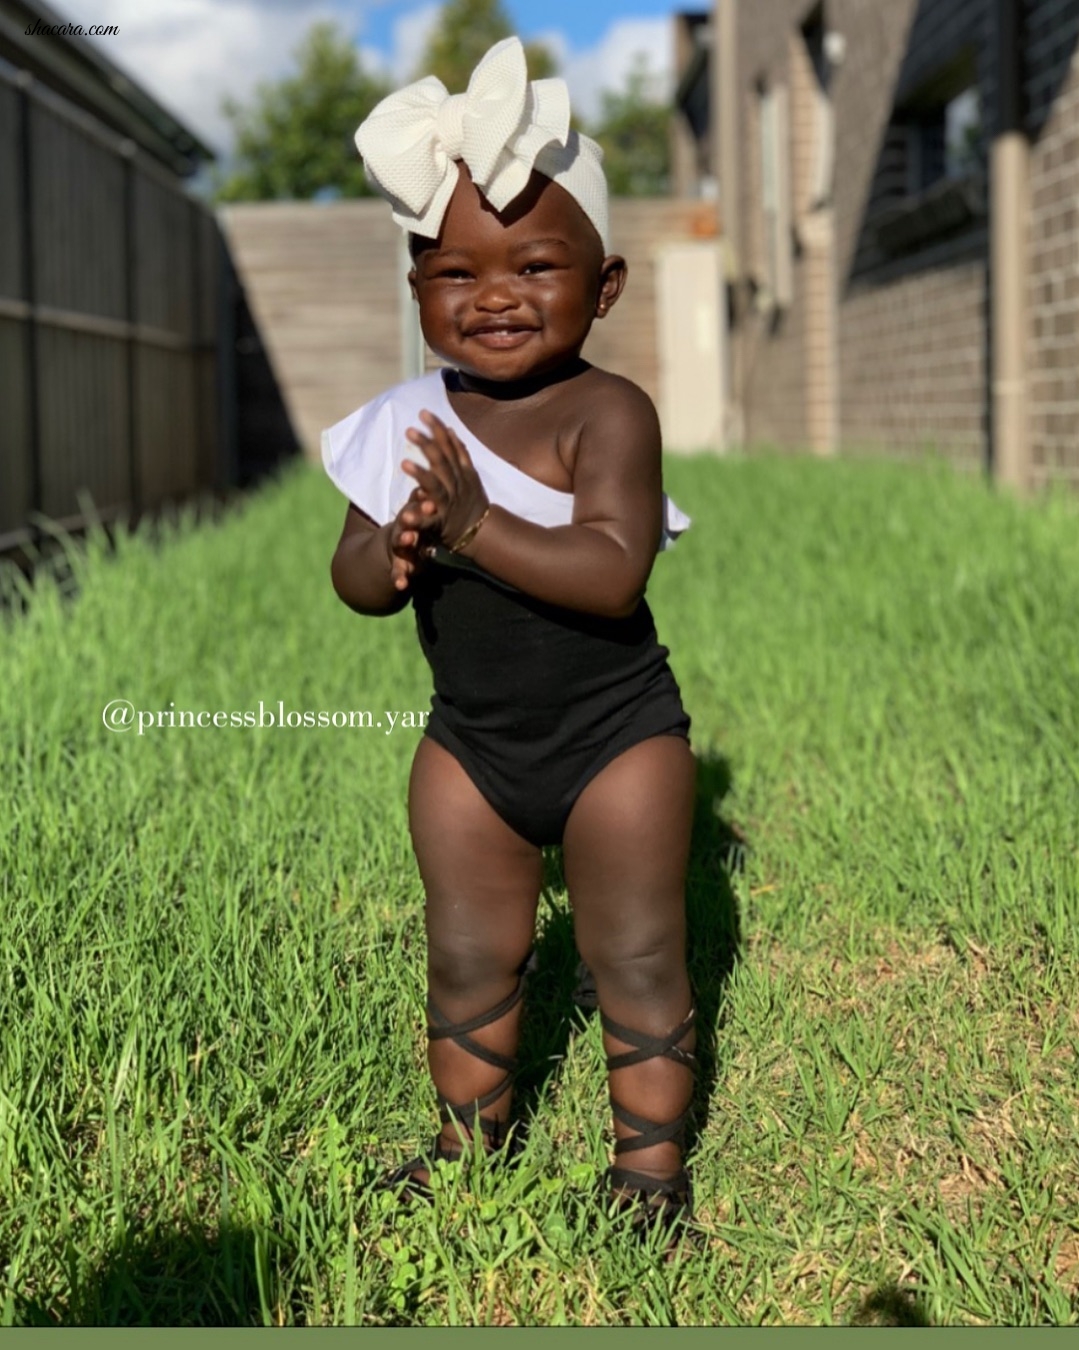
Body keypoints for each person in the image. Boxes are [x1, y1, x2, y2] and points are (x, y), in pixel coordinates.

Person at [323, 37, 697, 1226]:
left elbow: (612, 570)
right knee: (470, 959)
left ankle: (647, 1169)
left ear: (606, 286)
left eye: (536, 265)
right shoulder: (405, 419)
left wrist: (477, 529)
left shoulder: (607, 414)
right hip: (471, 748)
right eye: (455, 272)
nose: (493, 296)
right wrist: (384, 556)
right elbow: (353, 577)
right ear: (416, 289)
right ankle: (466, 1142)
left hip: (616, 742)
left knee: (632, 958)